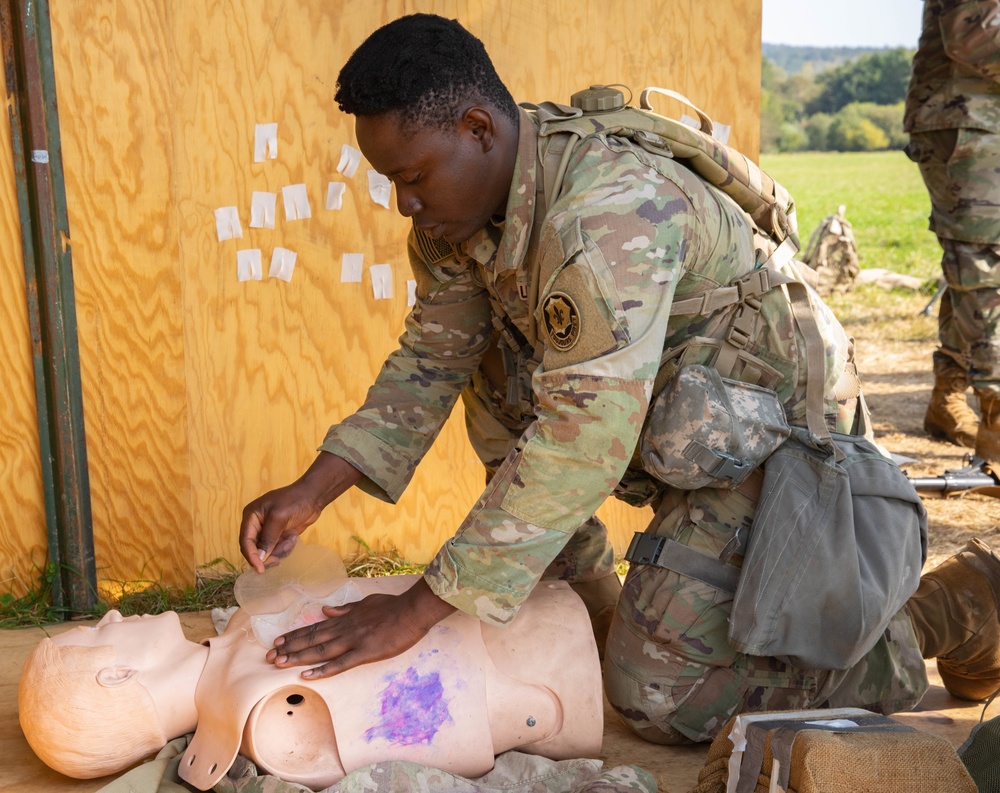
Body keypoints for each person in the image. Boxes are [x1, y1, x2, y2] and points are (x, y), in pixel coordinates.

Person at [238, 12, 1000, 745]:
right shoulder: (463, 219)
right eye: (390, 183)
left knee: (661, 695)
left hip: (774, 430)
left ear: (477, 129)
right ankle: (592, 603)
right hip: (675, 415)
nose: (404, 203)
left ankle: (949, 608)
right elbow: (430, 361)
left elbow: (581, 438)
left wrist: (411, 612)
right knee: (492, 363)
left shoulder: (604, 214)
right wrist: (314, 488)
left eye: (412, 176)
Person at [18, 569, 602, 790]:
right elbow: (451, 720)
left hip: (536, 607)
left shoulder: (239, 639)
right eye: (98, 633)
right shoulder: (272, 721)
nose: (113, 615)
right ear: (119, 677)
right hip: (565, 669)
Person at [905, 0, 1000, 454]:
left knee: (978, 263)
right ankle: (996, 424)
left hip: (986, 121)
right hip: (966, 122)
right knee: (983, 266)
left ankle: (948, 394)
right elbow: (971, 31)